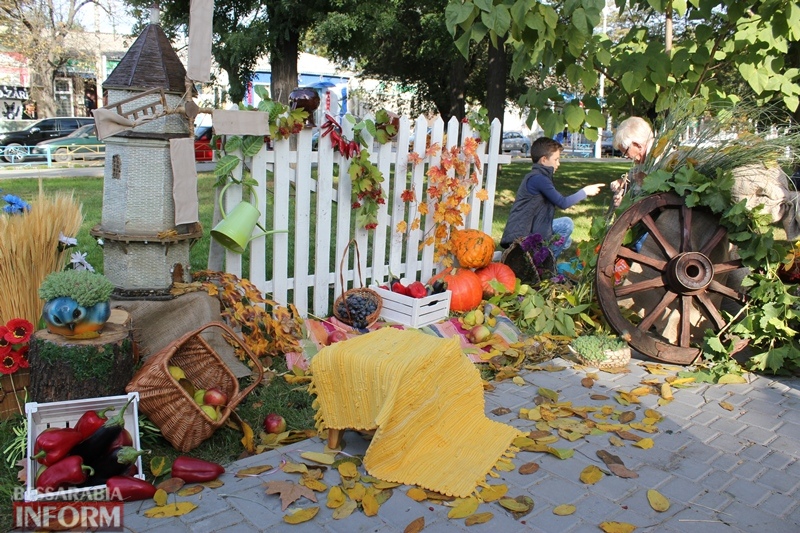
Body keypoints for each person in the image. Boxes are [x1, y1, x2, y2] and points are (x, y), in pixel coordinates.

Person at [500, 136, 604, 258]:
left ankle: (537, 259)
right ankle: (545, 264)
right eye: (556, 159)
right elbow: (563, 203)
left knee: (566, 240)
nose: (558, 164)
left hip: (530, 229)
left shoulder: (537, 176)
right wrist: (585, 191)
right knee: (566, 224)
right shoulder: (539, 179)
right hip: (522, 235)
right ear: (544, 160)